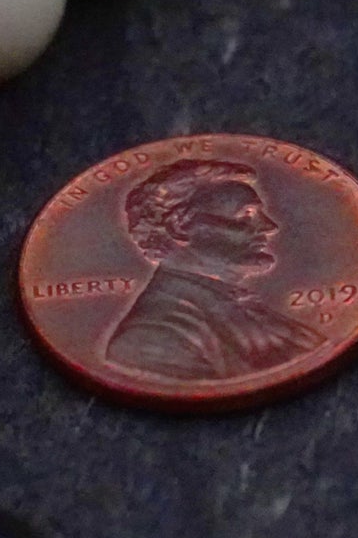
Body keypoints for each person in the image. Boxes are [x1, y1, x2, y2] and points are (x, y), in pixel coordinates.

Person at [104, 158, 326, 382]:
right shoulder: (153, 336)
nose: (270, 227)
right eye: (246, 214)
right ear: (179, 226)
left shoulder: (242, 308)